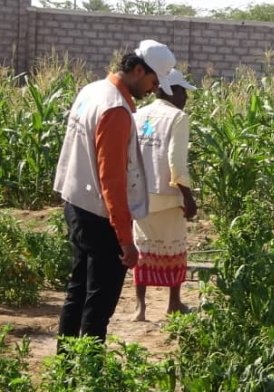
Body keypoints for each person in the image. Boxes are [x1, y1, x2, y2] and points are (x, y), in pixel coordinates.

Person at [53, 39, 176, 349]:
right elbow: (112, 180)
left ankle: (66, 367)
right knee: (99, 303)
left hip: (76, 203)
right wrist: (125, 240)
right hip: (99, 215)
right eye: (152, 81)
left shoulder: (92, 91)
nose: (153, 89)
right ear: (137, 70)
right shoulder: (116, 110)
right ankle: (90, 376)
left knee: (78, 290)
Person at [131, 69, 198, 322]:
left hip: (140, 194)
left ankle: (140, 307)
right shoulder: (177, 117)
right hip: (168, 195)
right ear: (171, 91)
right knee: (174, 248)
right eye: (183, 91)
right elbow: (176, 161)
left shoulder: (139, 115)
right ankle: (174, 303)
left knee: (143, 248)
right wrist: (187, 197)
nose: (186, 98)